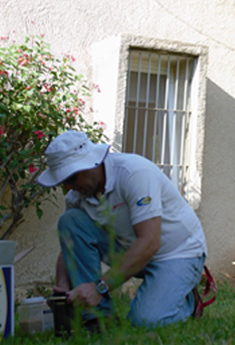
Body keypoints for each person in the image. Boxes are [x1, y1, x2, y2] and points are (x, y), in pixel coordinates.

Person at [37, 130, 207, 329]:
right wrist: (61, 287)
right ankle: (99, 317)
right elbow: (70, 241)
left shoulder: (135, 173)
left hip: (177, 253)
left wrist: (99, 288)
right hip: (132, 250)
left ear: (90, 164)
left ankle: (187, 300)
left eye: (71, 179)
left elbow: (150, 241)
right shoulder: (77, 196)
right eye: (62, 183)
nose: (68, 188)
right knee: (70, 221)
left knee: (144, 321)